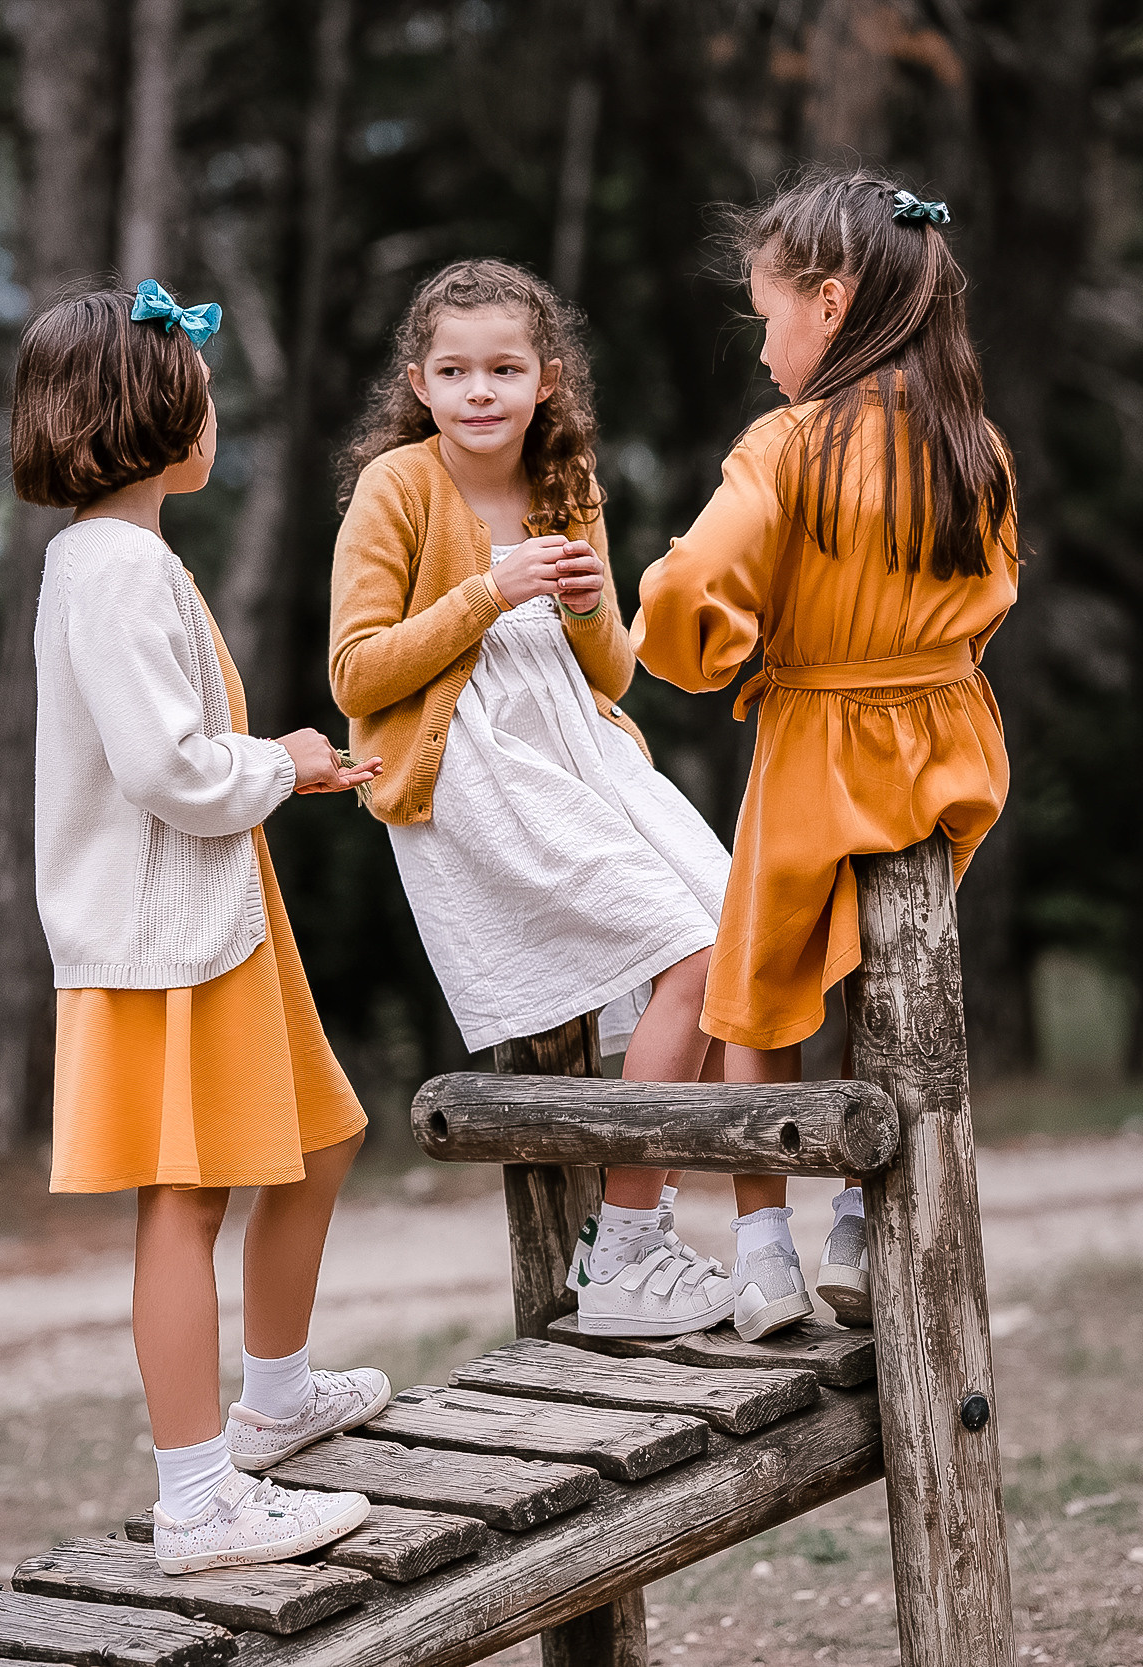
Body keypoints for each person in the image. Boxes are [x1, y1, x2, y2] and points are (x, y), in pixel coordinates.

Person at [328, 259, 813, 1342]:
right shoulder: (397, 487)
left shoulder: (567, 477)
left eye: (504, 368)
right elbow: (355, 674)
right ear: (419, 382)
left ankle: (659, 1236)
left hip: (582, 749)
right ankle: (626, 1248)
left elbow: (611, 674)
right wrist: (486, 591)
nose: (480, 391)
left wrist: (593, 609)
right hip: (472, 765)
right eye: (455, 371)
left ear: (546, 378)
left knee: (726, 930)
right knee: (689, 948)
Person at [18, 280, 389, 1575]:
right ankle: (197, 1500)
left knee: (323, 1135)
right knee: (185, 1201)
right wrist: (282, 759)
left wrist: (293, 769)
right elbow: (167, 768)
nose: (215, 419)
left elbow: (182, 758)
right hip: (166, 937)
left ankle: (275, 1399)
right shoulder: (115, 568)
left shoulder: (120, 558)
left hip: (221, 912)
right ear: (153, 417)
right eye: (205, 396)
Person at [635, 170, 1022, 1327]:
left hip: (821, 746)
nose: (762, 351)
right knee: (882, 977)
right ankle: (860, 1214)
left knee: (758, 983)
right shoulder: (974, 443)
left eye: (767, 318)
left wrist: (693, 639)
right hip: (948, 744)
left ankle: (764, 1246)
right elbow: (992, 594)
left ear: (831, 302)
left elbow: (695, 586)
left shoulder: (789, 445)